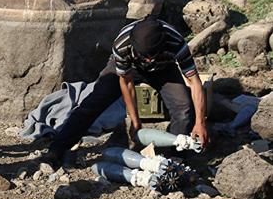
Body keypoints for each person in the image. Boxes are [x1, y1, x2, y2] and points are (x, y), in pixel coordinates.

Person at [41, 17, 210, 167]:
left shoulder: (176, 42)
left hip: (163, 69)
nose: (149, 60)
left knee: (183, 109)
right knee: (92, 103)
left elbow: (195, 82)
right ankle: (56, 150)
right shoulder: (122, 44)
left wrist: (200, 123)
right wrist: (135, 122)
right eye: (145, 56)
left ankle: (173, 161)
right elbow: (126, 82)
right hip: (127, 70)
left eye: (152, 55)